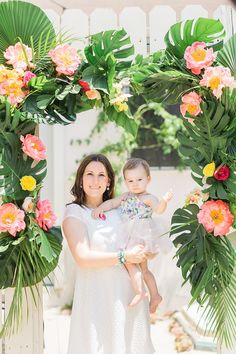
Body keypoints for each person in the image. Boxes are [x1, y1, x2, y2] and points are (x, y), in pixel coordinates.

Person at [62, 154, 155, 354]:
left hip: (129, 301)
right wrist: (124, 256)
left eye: (101, 175)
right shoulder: (75, 212)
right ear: (80, 179)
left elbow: (140, 233)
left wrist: (145, 251)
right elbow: (83, 257)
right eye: (89, 174)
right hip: (97, 304)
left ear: (108, 181)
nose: (95, 181)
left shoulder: (120, 208)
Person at [92, 158, 173, 314]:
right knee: (142, 268)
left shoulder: (149, 198)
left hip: (142, 235)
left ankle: (141, 292)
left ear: (148, 179)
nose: (135, 184)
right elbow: (112, 204)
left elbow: (159, 210)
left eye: (139, 179)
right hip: (128, 235)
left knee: (132, 264)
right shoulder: (126, 196)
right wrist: (101, 208)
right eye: (130, 180)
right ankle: (154, 295)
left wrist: (164, 201)